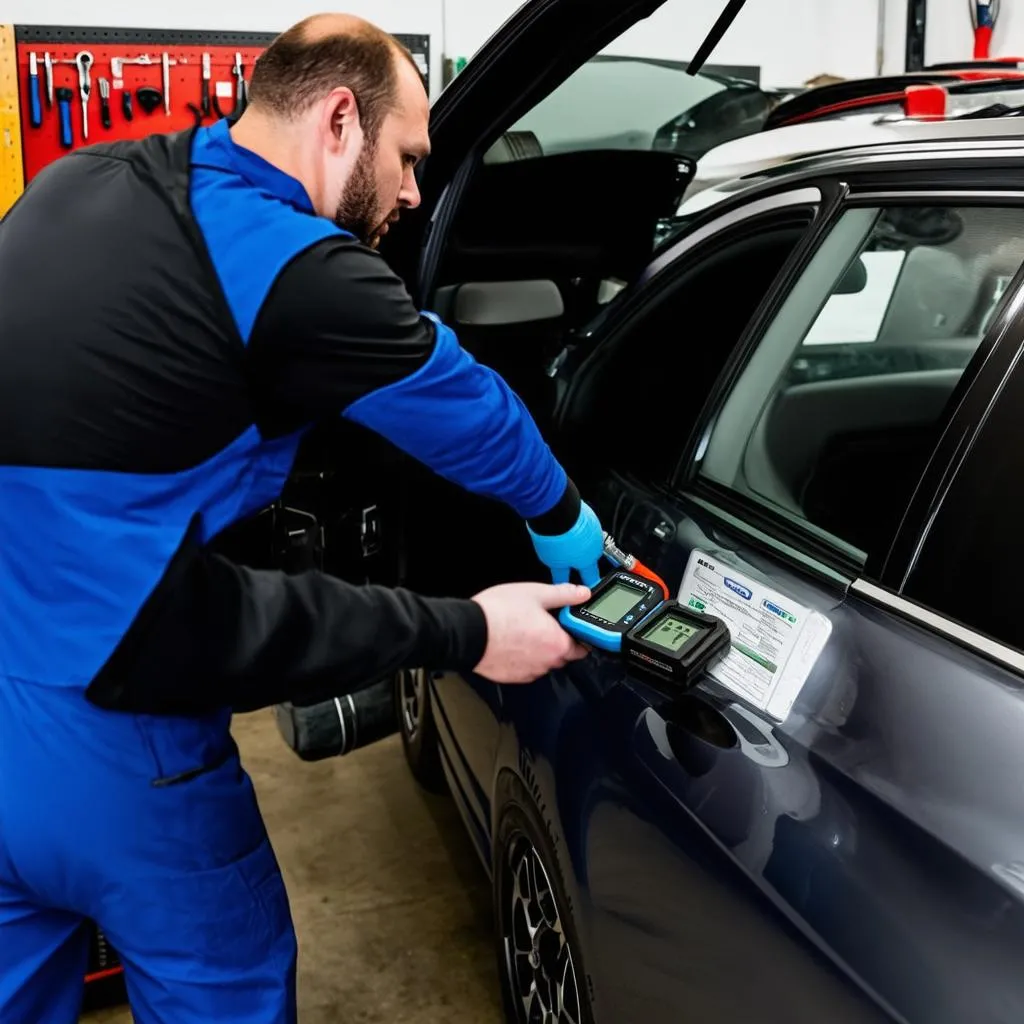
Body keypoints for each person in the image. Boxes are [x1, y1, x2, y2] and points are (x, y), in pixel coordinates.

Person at [0, 13, 605, 1023]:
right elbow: (471, 414)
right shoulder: (298, 265)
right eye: (409, 156)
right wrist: (556, 538)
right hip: (123, 753)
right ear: (337, 119)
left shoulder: (77, 182)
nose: (414, 193)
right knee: (221, 989)